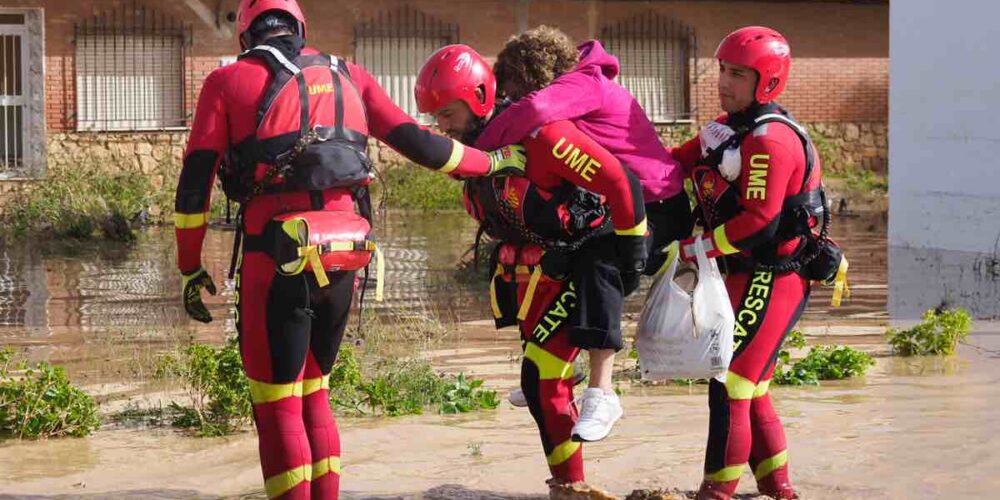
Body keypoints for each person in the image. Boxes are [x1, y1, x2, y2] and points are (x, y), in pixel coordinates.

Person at [174, 2, 525, 499]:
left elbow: (194, 191)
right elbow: (426, 147)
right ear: (300, 28)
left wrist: (189, 267)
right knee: (316, 391)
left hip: (274, 258)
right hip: (345, 256)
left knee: (277, 405)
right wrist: (495, 162)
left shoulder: (227, 82)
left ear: (246, 34)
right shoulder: (350, 75)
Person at [416, 43, 647, 498]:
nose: (441, 126)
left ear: (479, 98)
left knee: (544, 377)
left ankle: (574, 474)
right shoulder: (474, 151)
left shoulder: (543, 137)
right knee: (535, 381)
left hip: (595, 250)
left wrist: (633, 252)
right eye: (435, 117)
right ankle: (568, 485)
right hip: (553, 261)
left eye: (447, 114)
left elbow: (621, 180)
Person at [477, 26, 694, 442]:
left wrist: (476, 153)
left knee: (600, 259)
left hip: (658, 205)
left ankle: (603, 392)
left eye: (511, 92)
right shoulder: (576, 86)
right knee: (562, 253)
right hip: (620, 202)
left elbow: (535, 112)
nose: (508, 103)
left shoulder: (585, 82)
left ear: (532, 76)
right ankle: (563, 365)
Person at [670, 26, 840, 500]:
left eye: (738, 74)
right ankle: (779, 490)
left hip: (777, 275)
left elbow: (761, 222)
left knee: (731, 380)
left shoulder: (770, 141)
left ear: (767, 81)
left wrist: (699, 248)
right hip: (744, 274)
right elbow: (675, 163)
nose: (724, 81)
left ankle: (716, 493)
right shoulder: (725, 129)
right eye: (722, 70)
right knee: (754, 384)